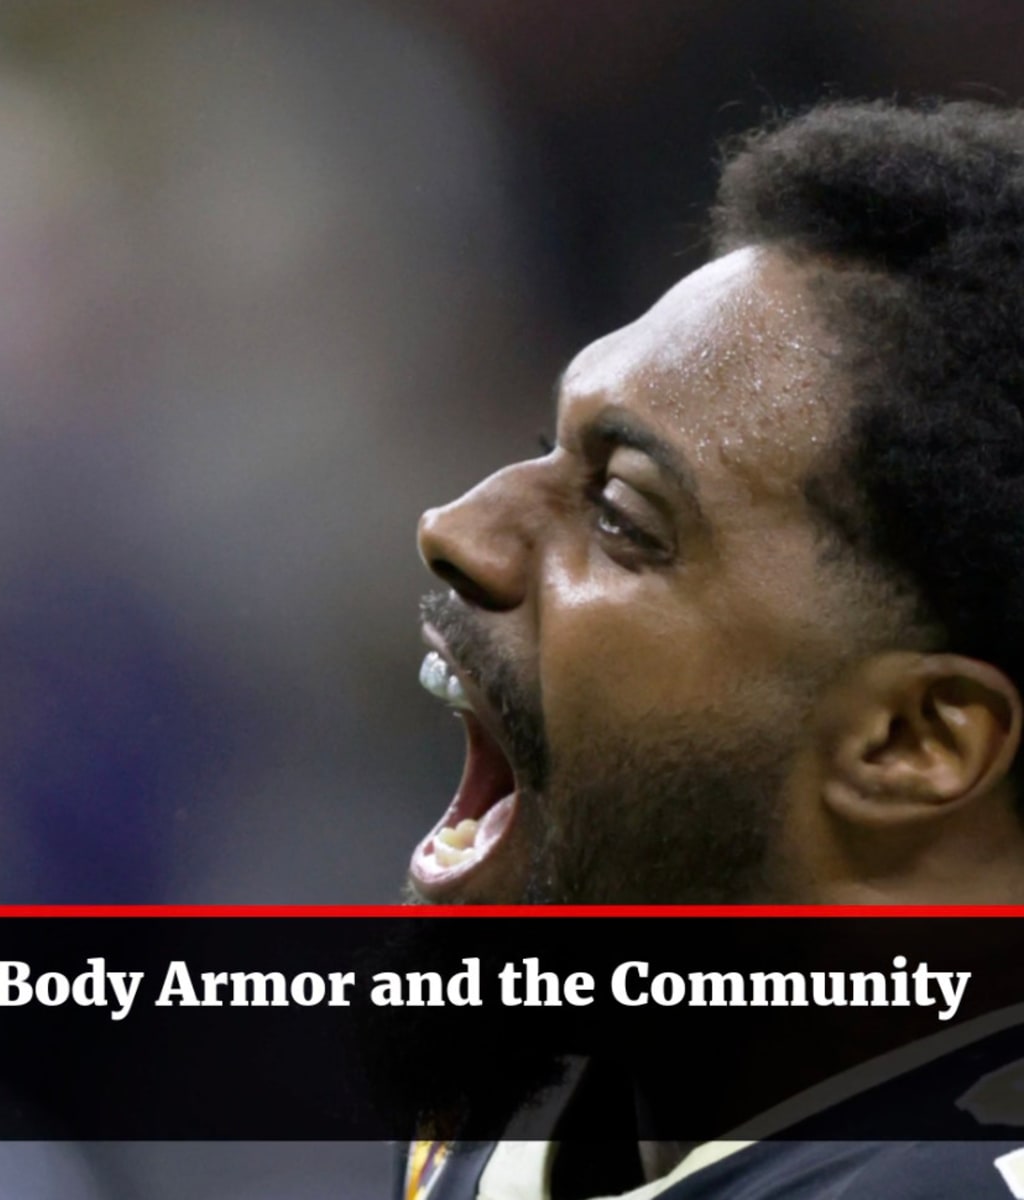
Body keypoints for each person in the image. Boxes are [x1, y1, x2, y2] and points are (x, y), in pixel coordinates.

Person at [402, 98, 1024, 1197]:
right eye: (546, 447)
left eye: (621, 514)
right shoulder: (549, 1098)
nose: (458, 528)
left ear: (909, 740)